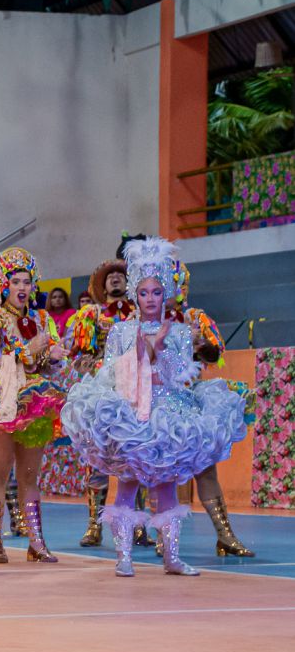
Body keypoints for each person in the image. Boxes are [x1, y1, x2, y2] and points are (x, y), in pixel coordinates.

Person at [62, 237, 247, 577]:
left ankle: (171, 558)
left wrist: (161, 348)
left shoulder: (179, 333)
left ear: (166, 294)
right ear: (135, 294)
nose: (150, 299)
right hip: (132, 416)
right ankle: (124, 558)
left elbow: (177, 377)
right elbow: (114, 375)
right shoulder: (120, 331)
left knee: (166, 488)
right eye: (144, 292)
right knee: (127, 484)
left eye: (157, 292)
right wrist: (146, 351)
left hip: (167, 418)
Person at [0, 248, 67, 564]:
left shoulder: (41, 319)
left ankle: (36, 542)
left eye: (27, 281)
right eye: (16, 282)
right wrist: (29, 351)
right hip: (3, 402)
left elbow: (46, 363)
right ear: (4, 285)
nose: (22, 287)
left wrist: (53, 357)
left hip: (35, 401)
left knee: (29, 474)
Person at [160, 263, 255, 557]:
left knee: (205, 470)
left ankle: (225, 535)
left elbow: (215, 355)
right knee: (162, 474)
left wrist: (200, 344)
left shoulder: (194, 317)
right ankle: (165, 537)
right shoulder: (145, 321)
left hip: (192, 402)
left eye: (174, 284)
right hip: (159, 405)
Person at [69, 240, 153, 548]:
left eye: (121, 276)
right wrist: (90, 364)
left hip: (135, 394)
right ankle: (95, 525)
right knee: (98, 460)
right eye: (110, 277)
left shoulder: (141, 315)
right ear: (102, 285)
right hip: (103, 395)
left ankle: (138, 527)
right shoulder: (91, 315)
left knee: (137, 459)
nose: (115, 279)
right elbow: (79, 355)